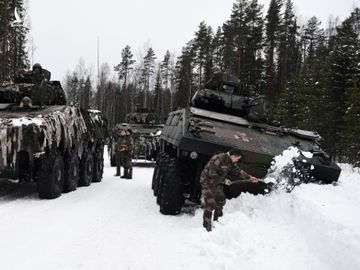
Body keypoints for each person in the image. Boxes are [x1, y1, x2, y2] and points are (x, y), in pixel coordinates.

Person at [200, 148, 258, 232]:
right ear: (233, 156)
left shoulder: (231, 161)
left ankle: (218, 221)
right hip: (207, 182)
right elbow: (211, 174)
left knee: (221, 200)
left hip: (217, 183)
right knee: (210, 203)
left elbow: (238, 171)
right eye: (237, 158)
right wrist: (224, 181)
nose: (237, 160)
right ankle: (207, 226)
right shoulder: (218, 158)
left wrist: (250, 177)